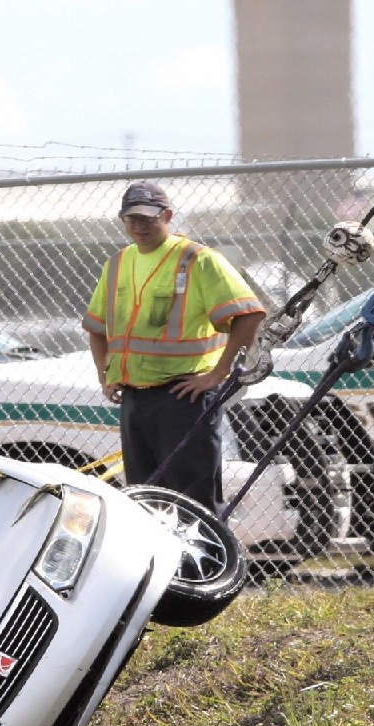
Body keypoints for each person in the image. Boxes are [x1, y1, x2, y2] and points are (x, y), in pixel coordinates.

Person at [84, 182, 265, 510]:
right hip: (134, 400)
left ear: (167, 216)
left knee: (192, 503)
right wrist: (105, 375)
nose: (139, 226)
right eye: (132, 219)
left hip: (183, 399)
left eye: (148, 218)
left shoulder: (197, 259)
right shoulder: (117, 264)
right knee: (145, 500)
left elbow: (248, 315)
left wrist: (217, 375)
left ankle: (208, 562)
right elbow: (96, 328)